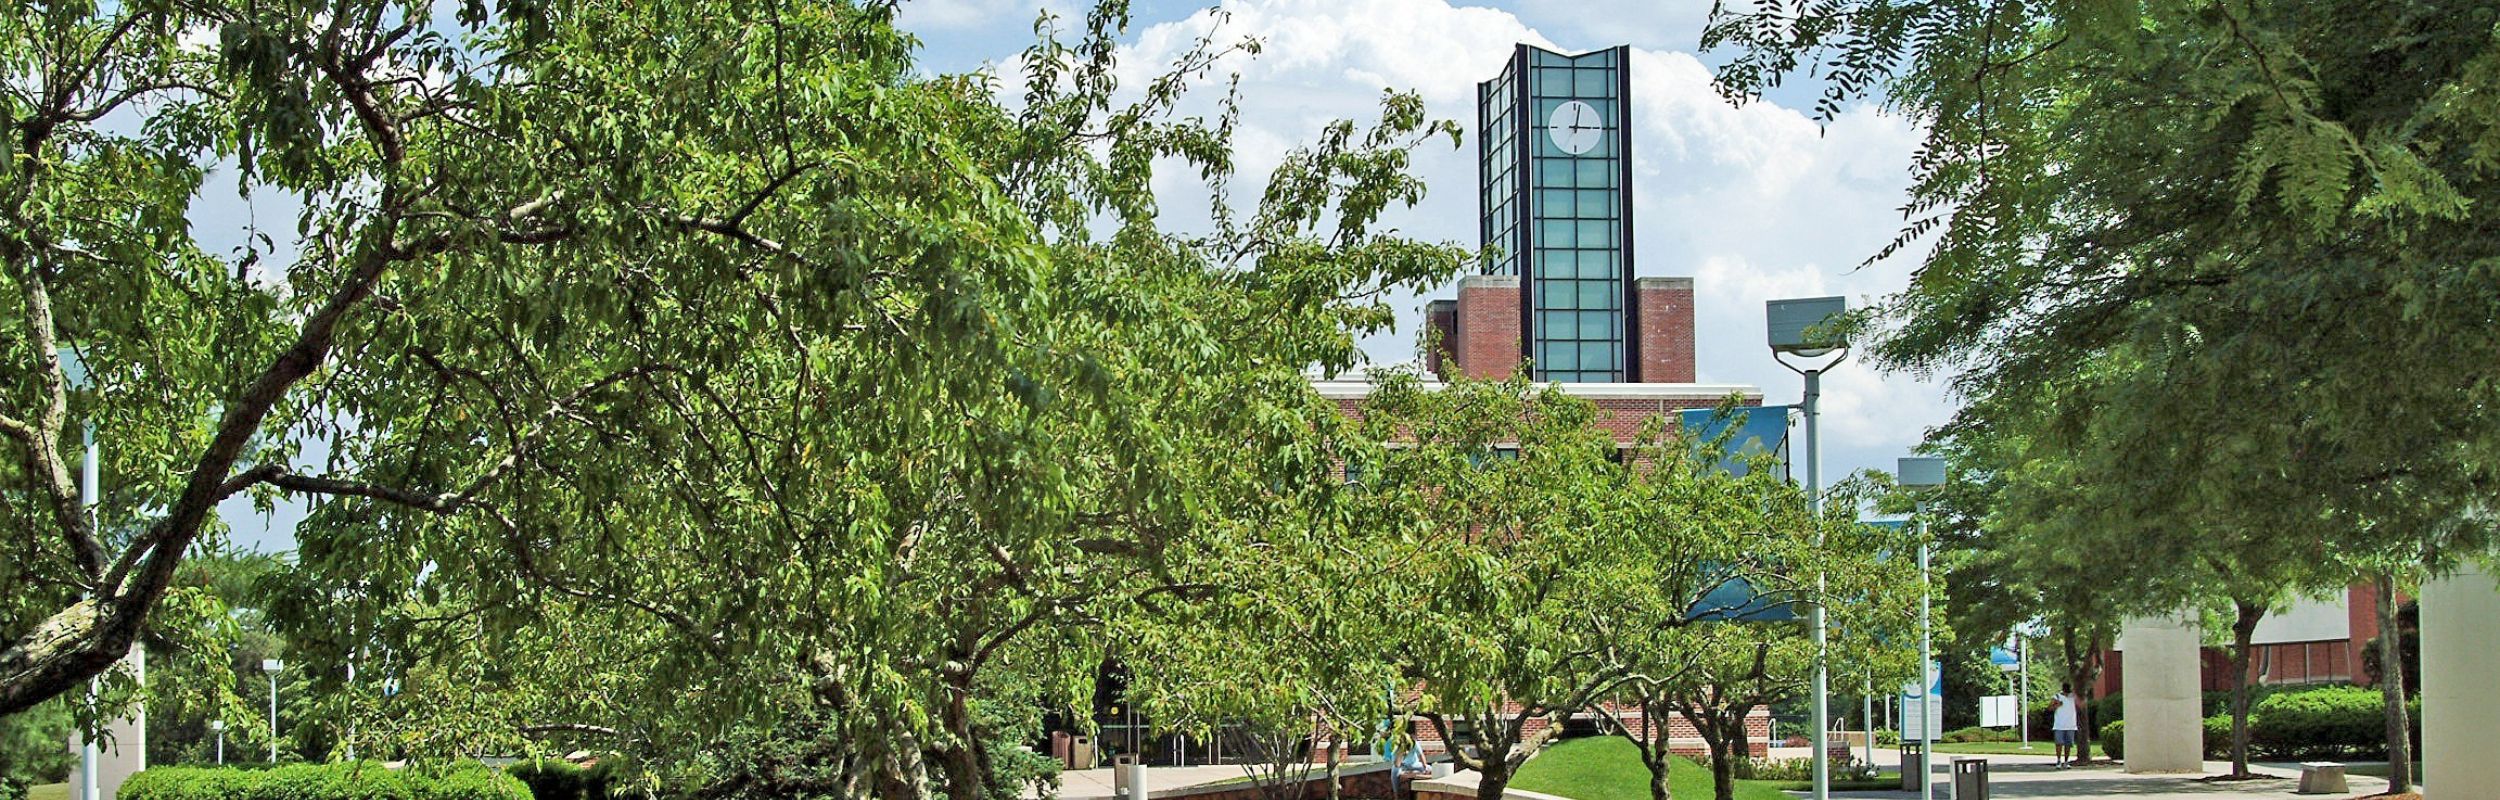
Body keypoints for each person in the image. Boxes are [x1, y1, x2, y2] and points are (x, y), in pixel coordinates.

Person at [2051, 683, 2081, 768]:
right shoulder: (2057, 696)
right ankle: (2058, 760)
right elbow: (2050, 708)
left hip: (2070, 724)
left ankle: (2066, 761)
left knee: (2068, 744)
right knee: (2059, 743)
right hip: (2059, 724)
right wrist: (2056, 705)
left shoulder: (2073, 697)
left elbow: (2080, 703)